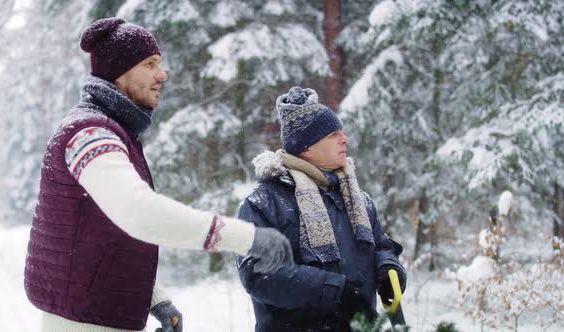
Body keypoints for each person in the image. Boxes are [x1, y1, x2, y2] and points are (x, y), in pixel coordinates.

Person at [23, 18, 293, 332]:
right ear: (119, 73)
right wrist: (245, 237)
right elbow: (138, 211)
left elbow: (106, 233)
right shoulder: (89, 134)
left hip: (94, 317)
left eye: (160, 64)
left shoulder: (109, 130)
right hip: (85, 324)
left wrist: (154, 299)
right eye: (150, 64)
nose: (162, 74)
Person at [236, 87, 407, 331]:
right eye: (333, 134)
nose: (344, 139)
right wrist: (335, 292)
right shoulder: (264, 203)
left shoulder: (357, 199)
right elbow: (259, 274)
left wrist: (388, 267)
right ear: (306, 147)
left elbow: (381, 246)